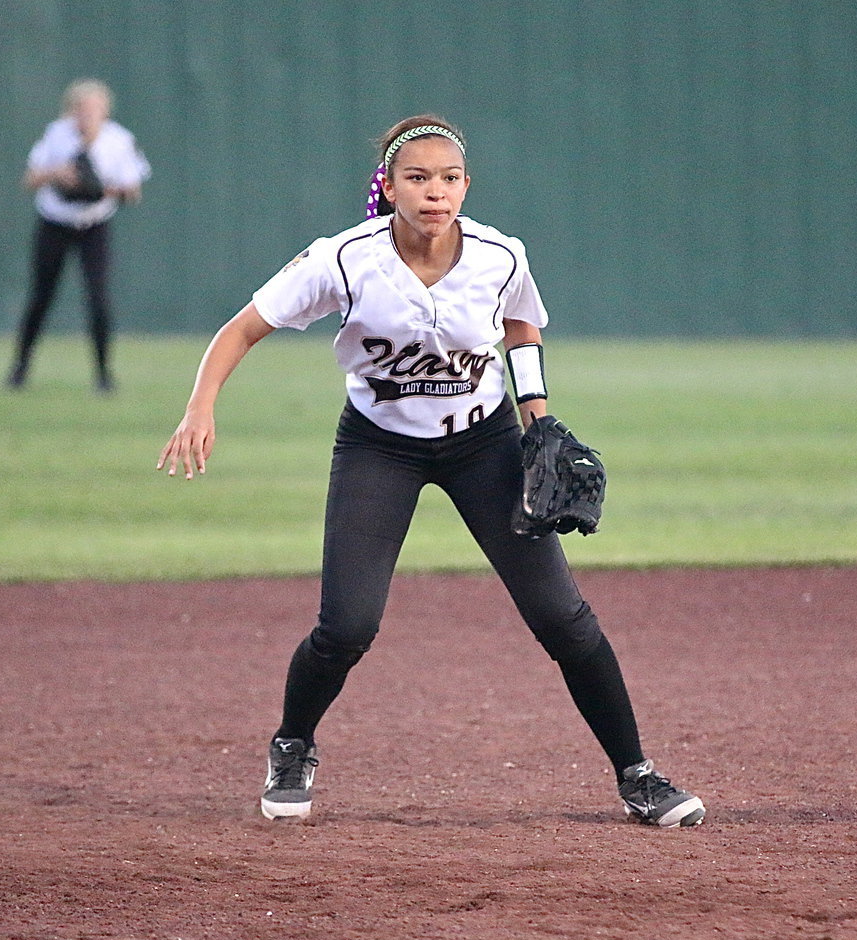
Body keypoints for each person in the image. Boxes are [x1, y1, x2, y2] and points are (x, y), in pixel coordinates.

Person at [157, 114, 705, 828]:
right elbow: (243, 328)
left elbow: (520, 324)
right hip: (378, 446)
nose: (434, 192)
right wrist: (201, 406)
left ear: (466, 186)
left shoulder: (499, 255)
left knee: (561, 618)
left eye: (449, 179)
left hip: (485, 444)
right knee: (348, 625)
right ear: (388, 186)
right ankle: (293, 743)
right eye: (417, 178)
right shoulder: (344, 259)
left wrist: (536, 411)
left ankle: (637, 774)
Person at [7, 78, 151, 393]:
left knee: (98, 298)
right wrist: (56, 174)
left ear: (105, 111)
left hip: (94, 225)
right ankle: (19, 369)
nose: (86, 116)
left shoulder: (118, 141)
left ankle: (103, 375)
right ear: (70, 111)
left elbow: (132, 190)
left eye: (93, 109)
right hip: (55, 222)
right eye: (80, 109)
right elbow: (30, 178)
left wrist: (97, 187)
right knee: (41, 296)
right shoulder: (56, 136)